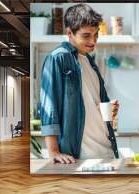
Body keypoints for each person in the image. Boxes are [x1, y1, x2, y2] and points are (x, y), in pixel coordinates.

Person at [40, 4, 119, 164]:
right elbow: (49, 107)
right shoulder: (58, 58)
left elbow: (92, 105)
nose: (93, 41)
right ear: (69, 33)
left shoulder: (91, 62)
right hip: (78, 156)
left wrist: (109, 109)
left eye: (96, 35)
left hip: (107, 151)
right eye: (86, 35)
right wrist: (53, 151)